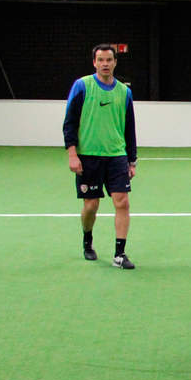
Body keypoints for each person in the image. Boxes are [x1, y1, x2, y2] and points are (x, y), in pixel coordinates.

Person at [63, 44, 138, 269]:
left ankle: (119, 253)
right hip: (88, 157)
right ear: (94, 62)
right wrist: (72, 154)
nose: (105, 64)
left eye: (109, 60)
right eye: (100, 60)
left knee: (122, 202)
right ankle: (88, 241)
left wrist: (131, 160)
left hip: (116, 156)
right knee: (91, 205)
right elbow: (69, 122)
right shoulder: (82, 86)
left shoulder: (125, 92)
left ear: (115, 62)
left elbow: (129, 128)